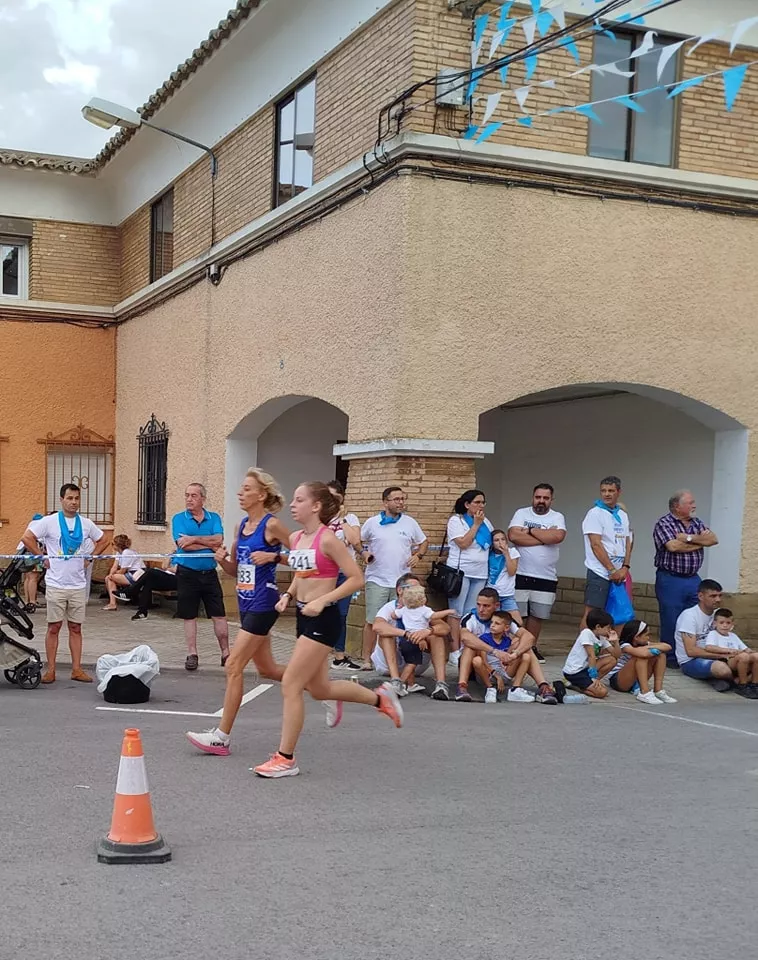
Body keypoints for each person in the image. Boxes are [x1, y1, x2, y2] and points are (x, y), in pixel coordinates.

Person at [254, 482, 403, 779]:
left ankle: (285, 758)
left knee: (292, 685)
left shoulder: (328, 540)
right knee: (320, 689)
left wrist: (323, 600)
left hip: (324, 618)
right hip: (304, 615)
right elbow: (301, 574)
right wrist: (289, 595)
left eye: (299, 500)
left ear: (316, 506)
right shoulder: (296, 537)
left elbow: (356, 578)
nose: (292, 505)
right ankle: (381, 699)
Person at [186, 469, 292, 755]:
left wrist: (275, 556)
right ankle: (316, 686)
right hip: (246, 603)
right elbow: (235, 571)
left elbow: (305, 554)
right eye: (240, 488)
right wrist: (222, 561)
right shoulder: (241, 526)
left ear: (261, 494)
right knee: (267, 669)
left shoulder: (273, 526)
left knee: (233, 665)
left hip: (265, 602)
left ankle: (221, 736)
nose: (240, 493)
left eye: (246, 489)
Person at [21, 484, 108, 684]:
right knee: (54, 627)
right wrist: (41, 557)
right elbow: (27, 537)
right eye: (69, 498)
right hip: (56, 584)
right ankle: (50, 670)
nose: (74, 502)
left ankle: (76, 669)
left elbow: (103, 540)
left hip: (77, 585)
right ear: (61, 500)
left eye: (76, 498)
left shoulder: (86, 523)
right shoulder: (49, 522)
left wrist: (90, 557)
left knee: (76, 627)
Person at [359, 487, 427, 669]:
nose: (400, 502)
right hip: (377, 578)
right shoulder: (372, 523)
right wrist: (364, 553)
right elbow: (358, 541)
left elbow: (424, 541)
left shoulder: (410, 523)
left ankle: (397, 660)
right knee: (373, 620)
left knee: (400, 619)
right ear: (385, 502)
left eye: (402, 499)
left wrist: (418, 555)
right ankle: (367, 659)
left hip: (403, 580)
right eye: (396, 499)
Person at [456, 587, 557, 703]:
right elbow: (465, 637)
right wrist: (494, 651)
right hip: (475, 667)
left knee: (526, 649)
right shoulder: (470, 618)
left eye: (486, 606)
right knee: (471, 646)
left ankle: (543, 687)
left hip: (502, 666)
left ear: (496, 605)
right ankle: (462, 687)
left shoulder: (503, 619)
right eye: (478, 605)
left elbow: (529, 637)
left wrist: (515, 654)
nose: (481, 609)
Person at [653, 490, 719, 668]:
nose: (694, 506)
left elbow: (713, 539)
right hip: (670, 579)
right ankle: (671, 660)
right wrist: (699, 543)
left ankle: (693, 654)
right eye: (690, 503)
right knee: (671, 618)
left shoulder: (696, 522)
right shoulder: (664, 523)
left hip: (693, 579)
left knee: (696, 617)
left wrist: (688, 538)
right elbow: (673, 546)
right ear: (677, 506)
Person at [171, 483, 229, 670]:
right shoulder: (179, 518)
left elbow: (219, 541)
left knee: (219, 614)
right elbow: (183, 545)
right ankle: (192, 653)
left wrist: (194, 538)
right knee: (189, 615)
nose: (189, 499)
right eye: (187, 495)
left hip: (209, 573)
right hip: (187, 573)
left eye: (194, 495)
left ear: (203, 498)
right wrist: (208, 543)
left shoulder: (214, 518)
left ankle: (226, 653)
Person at [508, 483, 567, 664]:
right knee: (519, 614)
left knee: (537, 615)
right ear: (533, 497)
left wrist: (531, 531)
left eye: (545, 498)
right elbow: (514, 536)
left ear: (551, 499)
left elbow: (557, 537)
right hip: (521, 573)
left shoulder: (557, 516)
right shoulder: (521, 513)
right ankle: (516, 646)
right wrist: (544, 538)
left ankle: (531, 647)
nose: (541, 501)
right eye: (538, 497)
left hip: (546, 576)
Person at [371, 573, 452, 698]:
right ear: (400, 590)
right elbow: (377, 626)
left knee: (437, 636)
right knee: (386, 635)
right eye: (413, 588)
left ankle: (441, 684)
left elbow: (445, 628)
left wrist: (428, 631)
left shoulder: (422, 609)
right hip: (389, 664)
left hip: (416, 661)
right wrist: (406, 634)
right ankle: (396, 681)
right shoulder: (389, 608)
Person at [446, 489, 493, 657]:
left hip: (480, 572)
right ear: (467, 504)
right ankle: (454, 650)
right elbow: (463, 543)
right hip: (461, 572)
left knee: (471, 612)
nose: (481, 506)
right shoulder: (456, 520)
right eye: (477, 502)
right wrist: (476, 525)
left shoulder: (486, 521)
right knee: (456, 611)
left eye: (483, 502)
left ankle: (467, 647)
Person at [580, 476, 632, 629]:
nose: (607, 494)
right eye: (603, 491)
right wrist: (611, 569)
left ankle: (610, 648)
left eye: (611, 491)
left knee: (618, 612)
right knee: (593, 613)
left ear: (619, 492)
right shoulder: (595, 513)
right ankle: (584, 647)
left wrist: (625, 567)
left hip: (619, 573)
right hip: (600, 572)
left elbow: (627, 541)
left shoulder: (622, 515)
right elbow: (596, 544)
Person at [326, 480, 362, 670]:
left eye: (334, 497)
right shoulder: (320, 518)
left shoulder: (350, 518)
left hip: (344, 573)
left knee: (341, 614)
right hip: (325, 573)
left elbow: (354, 539)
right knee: (322, 613)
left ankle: (339, 656)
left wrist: (341, 519)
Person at [674, 579, 732, 691]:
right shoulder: (689, 616)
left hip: (717, 655)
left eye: (720, 595)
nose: (718, 599)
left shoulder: (718, 613)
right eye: (713, 596)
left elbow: (727, 637)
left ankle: (724, 680)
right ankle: (738, 683)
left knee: (749, 659)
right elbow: (691, 651)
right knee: (722, 669)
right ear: (701, 596)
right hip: (691, 661)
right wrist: (722, 655)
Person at [606, 620, 677, 705]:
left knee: (661, 655)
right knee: (641, 657)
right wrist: (651, 649)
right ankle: (644, 692)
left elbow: (667, 646)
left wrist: (651, 647)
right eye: (646, 635)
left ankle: (658, 690)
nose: (648, 638)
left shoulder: (644, 644)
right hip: (619, 680)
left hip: (634, 680)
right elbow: (642, 653)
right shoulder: (624, 646)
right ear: (636, 637)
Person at [699, 607, 758, 699]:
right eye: (721, 623)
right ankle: (742, 685)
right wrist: (729, 650)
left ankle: (755, 684)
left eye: (728, 623)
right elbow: (709, 647)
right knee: (744, 656)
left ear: (732, 624)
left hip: (740, 659)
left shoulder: (733, 636)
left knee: (756, 656)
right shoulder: (713, 634)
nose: (725, 625)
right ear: (715, 624)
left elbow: (746, 649)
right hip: (727, 660)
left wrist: (751, 652)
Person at [562, 608, 619, 699]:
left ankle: (593, 684)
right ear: (598, 627)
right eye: (608, 628)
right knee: (602, 693)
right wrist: (593, 677)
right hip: (575, 672)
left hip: (587, 668)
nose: (609, 630)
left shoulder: (601, 637)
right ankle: (577, 686)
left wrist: (616, 642)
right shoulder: (586, 633)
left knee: (612, 660)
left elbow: (616, 655)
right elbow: (591, 655)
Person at [487, 529, 522, 626]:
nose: (500, 542)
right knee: (495, 623)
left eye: (503, 539)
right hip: (493, 594)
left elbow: (512, 572)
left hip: (507, 594)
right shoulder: (489, 554)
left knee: (517, 623)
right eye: (496, 540)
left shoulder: (512, 552)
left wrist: (506, 554)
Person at [103, 534, 146, 610]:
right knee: (109, 578)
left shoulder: (127, 553)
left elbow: (123, 570)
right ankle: (112, 602)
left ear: (118, 545)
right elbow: (115, 566)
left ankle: (113, 603)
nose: (112, 546)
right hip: (131, 573)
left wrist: (113, 575)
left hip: (137, 574)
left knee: (111, 578)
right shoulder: (119, 553)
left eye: (113, 544)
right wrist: (111, 574)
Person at [17, 513, 45, 612]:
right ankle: (32, 602)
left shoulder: (30, 527)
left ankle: (27, 601)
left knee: (27, 578)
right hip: (33, 553)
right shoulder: (39, 527)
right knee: (34, 578)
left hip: (24, 553)